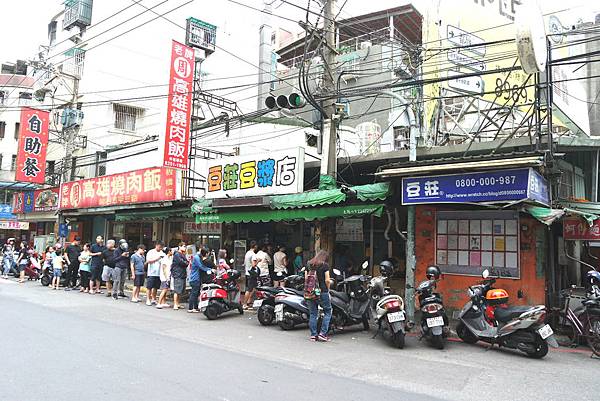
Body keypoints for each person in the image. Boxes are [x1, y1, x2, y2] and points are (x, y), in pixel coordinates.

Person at [305, 250, 333, 342]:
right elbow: (327, 280)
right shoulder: (324, 265)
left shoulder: (309, 264)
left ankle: (313, 335)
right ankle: (322, 334)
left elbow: (306, 278)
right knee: (328, 312)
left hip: (310, 291)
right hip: (322, 291)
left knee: (313, 313)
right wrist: (328, 290)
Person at [189, 248, 214, 313]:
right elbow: (201, 266)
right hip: (195, 278)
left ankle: (195, 307)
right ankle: (191, 308)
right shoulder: (197, 257)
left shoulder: (197, 257)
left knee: (196, 293)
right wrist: (210, 270)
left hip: (196, 278)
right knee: (194, 293)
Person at [145, 241, 165, 306]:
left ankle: (154, 299)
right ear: (156, 245)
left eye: (161, 247)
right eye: (159, 247)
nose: (160, 248)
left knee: (156, 287)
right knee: (149, 287)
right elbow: (148, 261)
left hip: (159, 273)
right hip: (151, 272)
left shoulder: (163, 253)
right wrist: (158, 258)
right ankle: (148, 299)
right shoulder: (151, 252)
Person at [170, 242, 188, 310]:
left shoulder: (183, 254)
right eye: (183, 246)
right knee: (177, 290)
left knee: (180, 291)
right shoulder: (177, 254)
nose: (185, 248)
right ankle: (175, 304)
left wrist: (185, 262)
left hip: (182, 274)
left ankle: (178, 303)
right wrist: (185, 262)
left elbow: (186, 262)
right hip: (178, 274)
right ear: (179, 247)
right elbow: (182, 262)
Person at [242, 241, 258, 309]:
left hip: (247, 273)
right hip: (251, 274)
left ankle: (249, 301)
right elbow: (254, 264)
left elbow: (244, 263)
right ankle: (244, 304)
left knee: (253, 288)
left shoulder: (247, 253)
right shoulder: (253, 254)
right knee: (249, 289)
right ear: (255, 246)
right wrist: (258, 261)